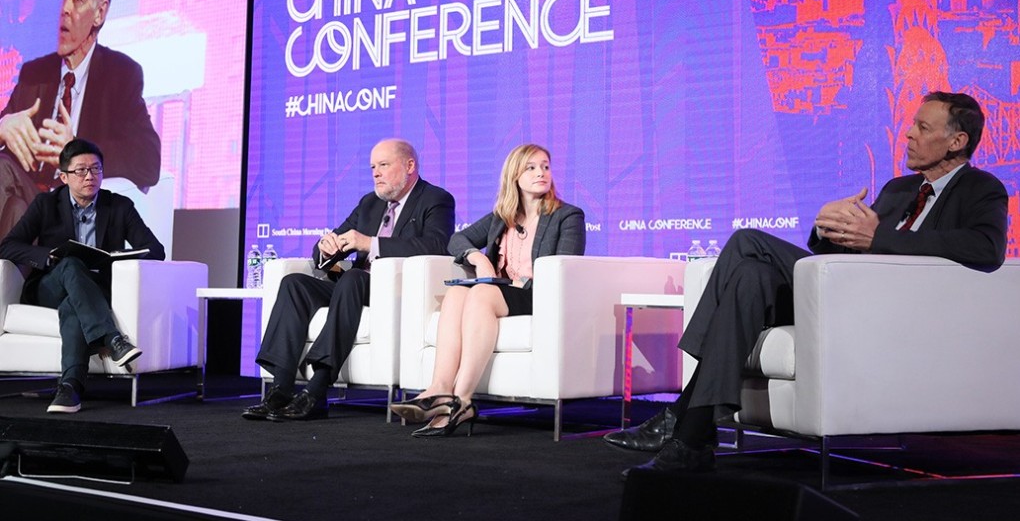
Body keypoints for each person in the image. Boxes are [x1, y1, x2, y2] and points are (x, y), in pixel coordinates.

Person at [604, 91, 1008, 473]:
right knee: (748, 277)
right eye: (912, 125)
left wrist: (878, 237)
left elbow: (985, 247)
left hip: (887, 307)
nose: (909, 133)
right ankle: (692, 442)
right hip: (839, 294)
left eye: (922, 127)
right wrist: (828, 228)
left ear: (956, 141)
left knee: (747, 241)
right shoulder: (898, 189)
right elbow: (849, 253)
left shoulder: (981, 189)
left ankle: (683, 411)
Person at [244, 139, 455, 422]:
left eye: (383, 165)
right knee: (294, 284)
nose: (376, 173)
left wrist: (369, 243)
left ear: (409, 166)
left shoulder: (435, 199)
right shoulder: (369, 203)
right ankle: (280, 389)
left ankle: (317, 391)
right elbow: (331, 242)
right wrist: (325, 247)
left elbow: (437, 245)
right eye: (372, 167)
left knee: (354, 277)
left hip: (393, 289)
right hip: (352, 287)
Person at [390, 143, 586, 437]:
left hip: (538, 296)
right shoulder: (502, 217)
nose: (541, 173)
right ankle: (440, 390)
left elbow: (565, 267)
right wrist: (478, 258)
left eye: (545, 166)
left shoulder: (567, 216)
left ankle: (463, 399)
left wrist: (514, 282)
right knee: (457, 292)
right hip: (501, 292)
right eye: (531, 167)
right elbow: (457, 239)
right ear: (514, 176)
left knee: (481, 292)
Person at [0, 0, 161, 235]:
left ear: (100, 13)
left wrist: (76, 150)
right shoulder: (35, 74)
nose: (65, 9)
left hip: (74, 215)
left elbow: (148, 162)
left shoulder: (120, 76)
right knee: (10, 198)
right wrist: (3, 126)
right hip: (32, 211)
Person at [0, 138, 166, 414]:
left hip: (92, 290)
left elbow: (155, 250)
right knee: (70, 263)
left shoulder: (119, 206)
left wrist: (116, 260)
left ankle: (70, 388)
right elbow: (8, 245)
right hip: (50, 287)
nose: (90, 176)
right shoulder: (46, 204)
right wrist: (48, 256)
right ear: (64, 177)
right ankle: (113, 340)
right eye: (81, 171)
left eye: (96, 169)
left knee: (73, 307)